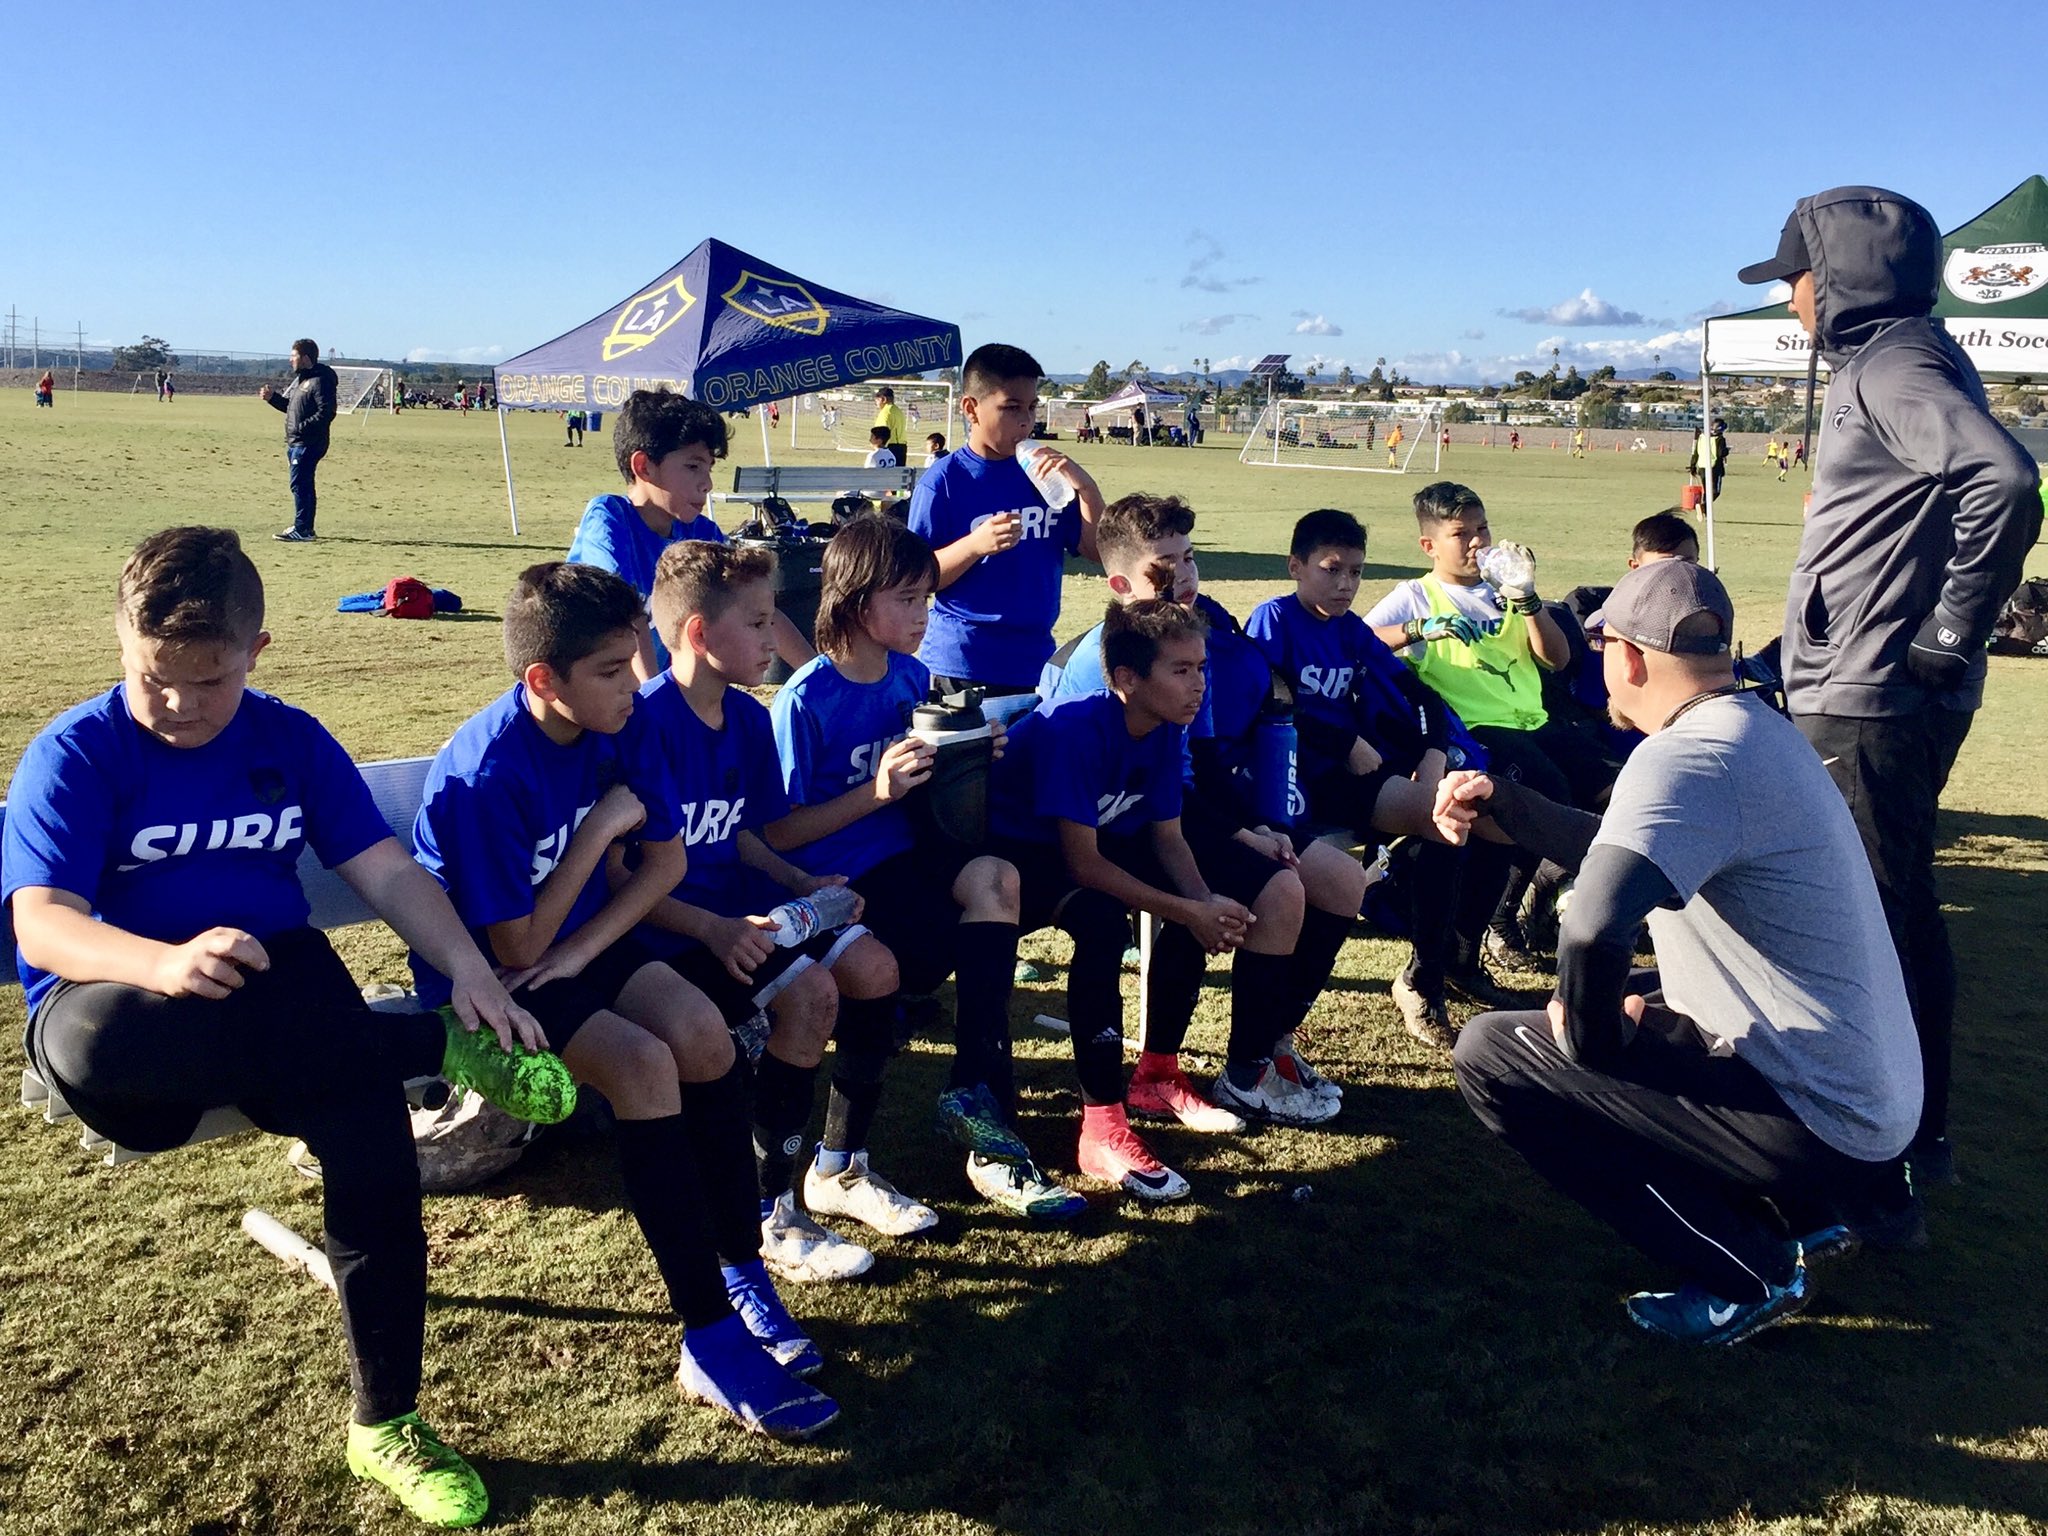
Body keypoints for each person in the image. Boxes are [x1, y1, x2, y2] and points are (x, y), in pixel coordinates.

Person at [2, 527, 579, 1526]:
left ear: (256, 653)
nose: (178, 704)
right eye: (153, 677)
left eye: (209, 681)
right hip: (124, 1004)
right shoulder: (76, 752)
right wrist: (165, 963)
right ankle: (422, 1045)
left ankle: (386, 1425)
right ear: (121, 642)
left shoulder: (289, 738)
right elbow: (44, 926)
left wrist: (469, 970)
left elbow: (386, 871)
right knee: (109, 1053)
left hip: (275, 989)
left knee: (368, 1142)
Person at [412, 560, 838, 1441]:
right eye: (611, 669)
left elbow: (667, 863)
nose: (633, 682)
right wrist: (602, 830)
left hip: (572, 949)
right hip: (491, 983)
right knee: (646, 1066)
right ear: (544, 681)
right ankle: (707, 1338)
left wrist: (583, 949)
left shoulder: (622, 719)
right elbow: (516, 949)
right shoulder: (487, 775)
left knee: (705, 1038)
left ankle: (741, 1270)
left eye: (633, 657)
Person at [1445, 559, 1922, 1345]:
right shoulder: (1758, 729)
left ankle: (1749, 1271)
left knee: (1496, 1055)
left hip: (1820, 1116)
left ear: (1630, 659)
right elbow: (1626, 851)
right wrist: (1510, 805)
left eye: (1604, 647)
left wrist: (1596, 1043)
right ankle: (1810, 1215)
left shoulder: (1683, 755)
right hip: (1867, 1105)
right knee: (1639, 992)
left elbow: (1593, 926)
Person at [1737, 185, 2043, 1190]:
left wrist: (1951, 630)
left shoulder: (1893, 363)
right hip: (1865, 682)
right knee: (1896, 907)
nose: (1788, 300)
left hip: (1870, 694)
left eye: (1792, 279)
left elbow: (2003, 478)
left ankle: (1882, 1152)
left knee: (1865, 922)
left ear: (1831, 279)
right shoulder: (1898, 358)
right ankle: (1911, 1135)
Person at [628, 539, 934, 1281]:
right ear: (699, 633)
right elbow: (626, 877)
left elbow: (745, 833)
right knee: (811, 995)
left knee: (874, 967)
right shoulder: (642, 726)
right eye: (760, 623)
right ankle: (773, 1211)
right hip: (670, 934)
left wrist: (800, 881)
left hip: (747, 910)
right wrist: (712, 928)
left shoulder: (743, 715)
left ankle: (841, 1169)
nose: (777, 638)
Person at [765, 516, 1084, 1219]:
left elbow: (926, 788)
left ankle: (974, 1088)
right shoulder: (805, 698)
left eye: (926, 598)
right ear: (856, 604)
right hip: (839, 880)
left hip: (908, 856)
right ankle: (841, 1163)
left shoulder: (912, 676)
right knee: (890, 967)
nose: (924, 614)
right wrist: (875, 792)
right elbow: (779, 832)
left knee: (998, 878)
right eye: (907, 599)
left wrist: (969, 753)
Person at [1043, 494, 1361, 1125]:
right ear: (1120, 585)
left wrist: (1253, 826)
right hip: (1110, 824)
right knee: (1272, 891)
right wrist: (1236, 838)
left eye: (1189, 558)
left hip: (1168, 810)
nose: (1185, 575)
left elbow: (1204, 763)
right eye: (1165, 565)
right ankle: (1230, 1073)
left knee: (1342, 880)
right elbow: (1126, 797)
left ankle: (1267, 1043)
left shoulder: (1185, 640)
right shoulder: (1113, 664)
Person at [990, 600, 1278, 1200]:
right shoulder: (1074, 730)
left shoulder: (1165, 726)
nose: (1199, 684)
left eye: (1202, 668)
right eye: (1181, 670)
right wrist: (1191, 911)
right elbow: (1081, 864)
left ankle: (1157, 1073)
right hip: (1013, 861)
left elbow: (1168, 838)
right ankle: (1101, 1125)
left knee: (1198, 896)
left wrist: (1205, 906)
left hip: (1084, 849)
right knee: (1102, 924)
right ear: (1127, 678)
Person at [1248, 508, 1493, 1050]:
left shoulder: (1351, 630)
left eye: (1356, 572)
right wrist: (1343, 742)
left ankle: (1424, 979)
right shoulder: (1274, 619)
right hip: (1285, 780)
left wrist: (1433, 752)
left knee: (1448, 818)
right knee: (1324, 883)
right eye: (1331, 569)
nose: (1345, 584)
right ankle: (1274, 1025)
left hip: (1349, 778)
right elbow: (1264, 701)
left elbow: (1421, 695)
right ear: (1296, 566)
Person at [1365, 482, 1613, 977]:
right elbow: (1358, 640)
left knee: (1617, 790)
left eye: (1483, 529)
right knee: (1546, 797)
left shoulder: (1505, 590)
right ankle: (1496, 924)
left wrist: (1528, 598)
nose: (1478, 542)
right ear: (1429, 545)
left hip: (1537, 724)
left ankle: (1530, 901)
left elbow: (1557, 658)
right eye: (1462, 534)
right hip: (1476, 731)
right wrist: (1416, 630)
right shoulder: (1415, 596)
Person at [565, 388, 812, 683]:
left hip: (643, 697)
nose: (707, 483)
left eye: (709, 469)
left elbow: (760, 608)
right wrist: (655, 699)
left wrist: (820, 673)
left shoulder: (702, 534)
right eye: (693, 466)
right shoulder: (610, 516)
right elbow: (627, 616)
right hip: (587, 696)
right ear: (643, 467)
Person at [909, 342, 1102, 702]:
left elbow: (1096, 550)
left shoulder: (1044, 474)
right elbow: (915, 578)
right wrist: (973, 546)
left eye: (1032, 407)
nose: (1026, 421)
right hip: (963, 661)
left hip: (1035, 660)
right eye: (1011, 408)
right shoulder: (943, 483)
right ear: (971, 409)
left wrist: (1087, 489)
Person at [259, 339, 338, 543]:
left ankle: (303, 529)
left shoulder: (320, 381)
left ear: (305, 358)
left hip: (308, 443)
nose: (290, 360)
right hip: (297, 442)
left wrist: (302, 428)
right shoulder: (304, 381)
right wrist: (273, 398)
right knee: (302, 484)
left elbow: (327, 412)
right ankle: (304, 527)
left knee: (300, 484)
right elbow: (293, 409)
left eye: (293, 356)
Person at [872, 386, 908, 470]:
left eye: (877, 400)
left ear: (883, 399)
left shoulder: (885, 412)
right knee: (899, 474)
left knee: (886, 475)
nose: (876, 403)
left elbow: (881, 432)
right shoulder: (898, 411)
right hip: (902, 447)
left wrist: (877, 446)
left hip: (889, 448)